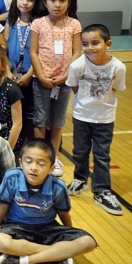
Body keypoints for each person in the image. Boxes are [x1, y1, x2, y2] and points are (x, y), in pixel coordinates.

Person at [0, 139, 97, 264]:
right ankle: (56, 253)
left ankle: (24, 260)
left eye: (41, 164)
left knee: (88, 242)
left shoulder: (58, 186)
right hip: (15, 227)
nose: (33, 168)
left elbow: (64, 214)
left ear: (51, 168)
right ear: (21, 163)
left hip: (47, 228)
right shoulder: (12, 177)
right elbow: (1, 208)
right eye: (28, 161)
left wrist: (69, 238)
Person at [66, 24, 126, 215]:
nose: (89, 47)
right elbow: (74, 87)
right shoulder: (77, 65)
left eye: (95, 43)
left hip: (105, 118)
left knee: (102, 155)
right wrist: (85, 103)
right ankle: (80, 178)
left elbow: (114, 89)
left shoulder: (118, 67)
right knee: (80, 151)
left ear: (107, 44)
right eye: (85, 43)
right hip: (81, 117)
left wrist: (100, 102)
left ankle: (101, 190)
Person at [30, 0, 81, 177]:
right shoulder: (38, 23)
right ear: (45, 2)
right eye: (52, 0)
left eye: (62, 0)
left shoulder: (74, 24)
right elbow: (33, 52)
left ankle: (53, 158)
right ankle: (40, 155)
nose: (57, 4)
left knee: (58, 121)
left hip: (64, 80)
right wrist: (41, 75)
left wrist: (67, 75)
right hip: (41, 79)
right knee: (41, 119)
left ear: (69, 2)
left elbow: (77, 52)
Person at [4, 0, 42, 143]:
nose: (25, 3)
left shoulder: (40, 23)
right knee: (14, 110)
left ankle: (30, 143)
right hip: (12, 75)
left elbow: (42, 53)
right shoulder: (11, 21)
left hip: (31, 75)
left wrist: (30, 73)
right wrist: (7, 71)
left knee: (30, 112)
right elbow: (4, 49)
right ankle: (16, 143)